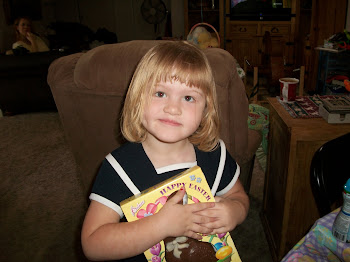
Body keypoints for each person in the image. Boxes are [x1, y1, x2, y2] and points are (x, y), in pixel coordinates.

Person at [81, 41, 249, 261]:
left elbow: (238, 196)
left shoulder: (214, 154)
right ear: (137, 98)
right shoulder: (119, 168)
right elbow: (93, 244)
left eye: (188, 98)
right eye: (160, 93)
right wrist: (160, 226)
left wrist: (235, 212)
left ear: (206, 109)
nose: (173, 108)